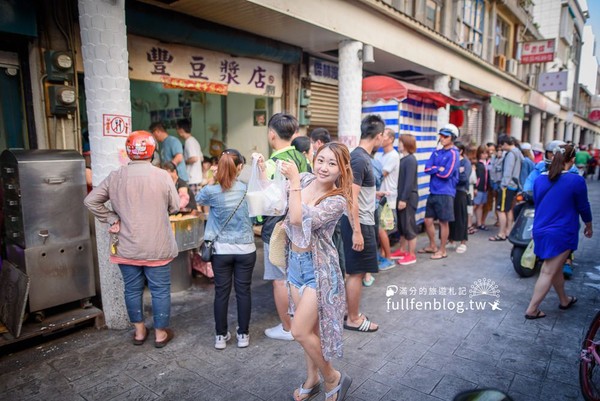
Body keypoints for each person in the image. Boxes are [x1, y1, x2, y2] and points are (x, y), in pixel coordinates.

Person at [272, 142, 353, 401]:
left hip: (319, 271)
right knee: (310, 332)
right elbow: (275, 195)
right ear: (313, 160)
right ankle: (312, 378)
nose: (324, 167)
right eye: (321, 160)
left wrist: (294, 180)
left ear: (342, 170)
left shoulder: (337, 200)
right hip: (294, 264)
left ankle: (333, 377)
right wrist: (264, 170)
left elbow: (296, 218)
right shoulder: (305, 179)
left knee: (298, 331)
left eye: (332, 164)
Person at [84, 130, 179, 348]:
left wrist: (111, 217)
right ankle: (161, 334)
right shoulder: (162, 176)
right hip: (157, 246)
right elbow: (175, 206)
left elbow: (91, 201)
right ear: (152, 151)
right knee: (160, 290)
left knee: (132, 289)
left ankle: (139, 332)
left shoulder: (115, 176)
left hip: (126, 246)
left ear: (129, 152)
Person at [195, 149, 256, 349]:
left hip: (220, 250)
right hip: (245, 249)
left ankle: (220, 336)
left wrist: (213, 179)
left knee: (221, 293)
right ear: (239, 168)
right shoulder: (247, 189)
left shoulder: (212, 191)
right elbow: (256, 214)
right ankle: (243, 335)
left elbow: (199, 199)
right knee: (243, 292)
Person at [524, 144, 592, 319]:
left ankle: (564, 300)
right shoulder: (576, 181)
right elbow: (583, 207)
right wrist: (588, 225)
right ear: (572, 160)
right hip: (561, 232)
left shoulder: (539, 179)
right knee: (548, 270)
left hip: (541, 229)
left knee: (555, 268)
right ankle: (532, 309)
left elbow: (539, 204)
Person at [261, 113, 310, 341]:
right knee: (296, 275)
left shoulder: (272, 164)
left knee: (279, 279)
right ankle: (303, 321)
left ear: (272, 134)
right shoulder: (302, 158)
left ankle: (288, 327)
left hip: (277, 227)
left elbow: (265, 200)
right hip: (300, 222)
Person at [341, 114, 383, 333]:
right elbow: (351, 197)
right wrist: (357, 231)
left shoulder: (360, 157)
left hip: (362, 221)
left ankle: (351, 312)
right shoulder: (359, 158)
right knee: (356, 272)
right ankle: (353, 318)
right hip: (359, 223)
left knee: (355, 272)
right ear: (379, 136)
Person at [419, 124, 460, 260]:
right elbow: (426, 168)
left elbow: (446, 174)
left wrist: (435, 169)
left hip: (445, 192)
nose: (442, 138)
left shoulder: (454, 153)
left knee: (443, 222)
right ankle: (433, 246)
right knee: (427, 220)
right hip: (434, 191)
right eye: (441, 135)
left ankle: (443, 250)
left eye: (445, 136)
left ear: (452, 138)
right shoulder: (437, 151)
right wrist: (438, 168)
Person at [392, 134, 418, 265]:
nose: (399, 144)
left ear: (407, 144)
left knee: (409, 226)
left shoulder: (411, 160)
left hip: (407, 198)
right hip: (401, 197)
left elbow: (408, 182)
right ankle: (402, 250)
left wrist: (403, 199)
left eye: (401, 142)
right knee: (402, 226)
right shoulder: (404, 159)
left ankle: (411, 254)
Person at [489, 135, 521, 242]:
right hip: (514, 185)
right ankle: (508, 231)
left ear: (506, 144)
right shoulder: (518, 152)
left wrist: (503, 184)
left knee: (501, 210)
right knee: (508, 209)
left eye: (502, 145)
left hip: (507, 186)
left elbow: (508, 171)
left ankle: (501, 233)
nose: (501, 148)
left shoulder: (511, 155)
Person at [447, 141, 471, 254]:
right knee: (450, 216)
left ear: (461, 151)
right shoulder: (451, 160)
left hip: (461, 192)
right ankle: (451, 239)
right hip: (450, 191)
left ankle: (463, 241)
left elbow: (464, 178)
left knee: (461, 217)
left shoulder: (465, 162)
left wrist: (452, 177)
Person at [176, 119, 202, 194]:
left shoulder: (189, 141)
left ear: (181, 129)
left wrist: (183, 161)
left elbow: (194, 158)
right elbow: (201, 157)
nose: (177, 131)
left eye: (177, 129)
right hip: (197, 177)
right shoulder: (194, 140)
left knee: (193, 204)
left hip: (192, 178)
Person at [473, 145, 489, 231]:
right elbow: (476, 177)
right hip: (479, 188)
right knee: (475, 205)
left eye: (486, 153)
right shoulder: (477, 164)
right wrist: (475, 187)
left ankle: (479, 223)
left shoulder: (487, 163)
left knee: (481, 205)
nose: (484, 155)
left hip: (485, 188)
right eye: (482, 153)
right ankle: (468, 223)